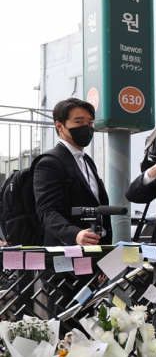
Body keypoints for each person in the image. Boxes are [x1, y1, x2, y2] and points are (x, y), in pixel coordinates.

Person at [35, 98, 111, 247]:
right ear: (60, 126)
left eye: (90, 123)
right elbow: (47, 212)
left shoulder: (86, 161)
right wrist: (75, 234)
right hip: (66, 254)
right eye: (79, 122)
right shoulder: (50, 162)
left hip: (95, 250)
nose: (87, 127)